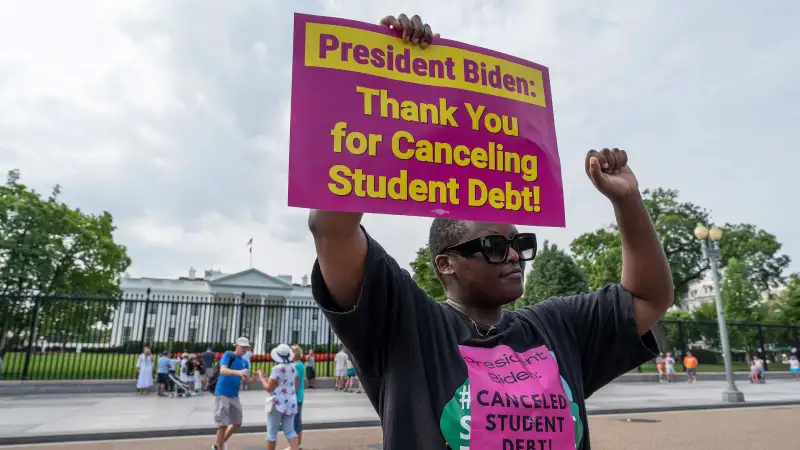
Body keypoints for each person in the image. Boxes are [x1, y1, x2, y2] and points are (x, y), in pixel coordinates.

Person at [308, 16, 671, 447]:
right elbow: (330, 230)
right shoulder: (408, 325)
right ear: (446, 263)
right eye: (494, 246)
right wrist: (401, 90)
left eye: (519, 244)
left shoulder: (558, 328)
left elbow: (649, 298)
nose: (515, 255)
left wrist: (627, 201)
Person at [212, 337, 255, 450]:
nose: (244, 350)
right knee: (222, 424)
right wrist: (238, 372)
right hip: (222, 393)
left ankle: (220, 442)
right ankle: (220, 447)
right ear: (236, 346)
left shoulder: (245, 362)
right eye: (242, 347)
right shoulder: (228, 355)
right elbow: (223, 370)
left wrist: (255, 378)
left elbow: (246, 380)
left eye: (246, 348)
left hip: (234, 395)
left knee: (237, 422)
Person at [257, 344, 300, 450]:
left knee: (272, 431)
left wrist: (261, 377)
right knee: (290, 431)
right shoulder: (293, 366)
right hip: (291, 401)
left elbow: (269, 388)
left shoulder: (277, 368)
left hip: (278, 402)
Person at [291, 345, 306, 447]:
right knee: (297, 420)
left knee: (295, 421)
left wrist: (291, 393)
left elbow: (296, 380)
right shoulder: (300, 364)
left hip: (295, 396)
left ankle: (296, 445)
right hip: (299, 396)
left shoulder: (296, 366)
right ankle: (297, 444)